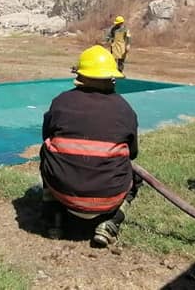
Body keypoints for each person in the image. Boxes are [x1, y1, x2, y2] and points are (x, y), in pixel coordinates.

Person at [39, 45, 141, 248]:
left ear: (81, 75)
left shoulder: (60, 102)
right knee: (135, 177)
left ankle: (55, 217)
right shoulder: (124, 109)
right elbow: (133, 154)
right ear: (111, 78)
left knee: (46, 153)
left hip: (63, 191)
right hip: (109, 197)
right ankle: (110, 223)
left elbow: (46, 136)